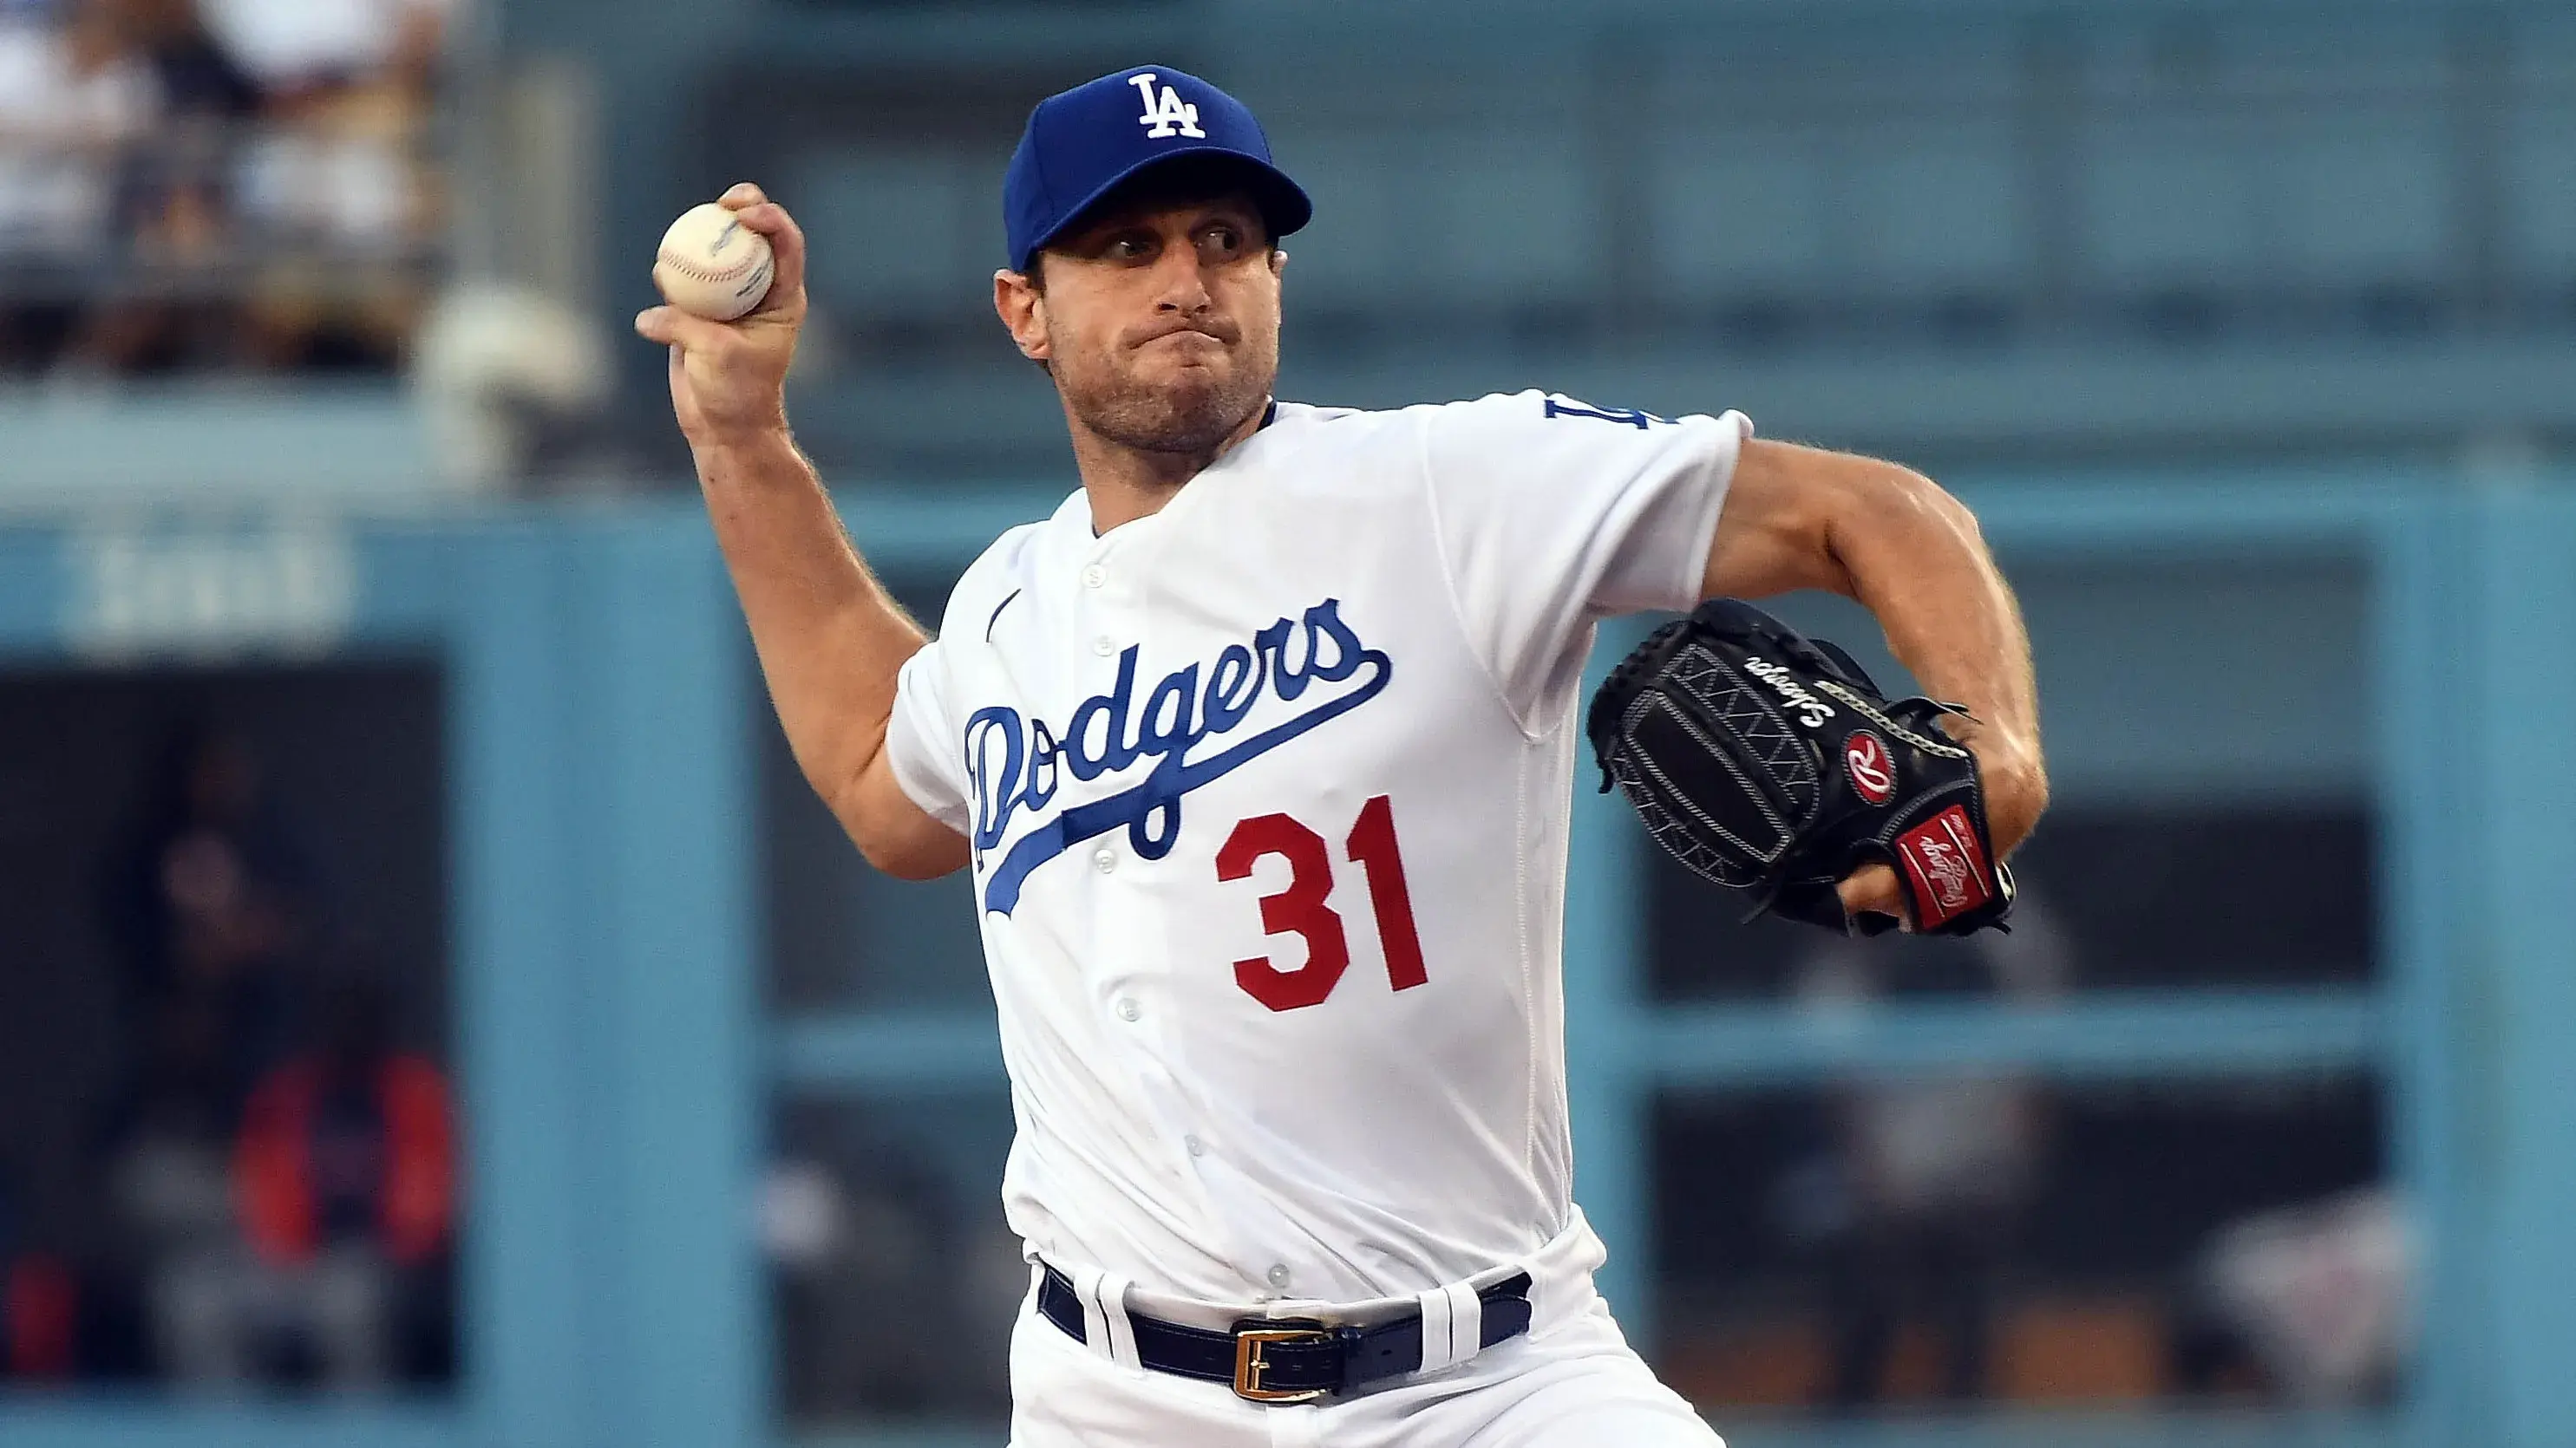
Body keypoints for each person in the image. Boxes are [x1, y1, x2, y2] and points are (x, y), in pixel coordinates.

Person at [636, 64, 2046, 1448]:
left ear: (1273, 279)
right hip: (1112, 1393)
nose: (1185, 278)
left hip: (1486, 1381)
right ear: (1026, 310)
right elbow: (889, 789)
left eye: (1226, 240)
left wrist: (1995, 744)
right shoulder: (1011, 607)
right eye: (1125, 245)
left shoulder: (1445, 488)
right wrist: (744, 440)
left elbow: (1871, 511)